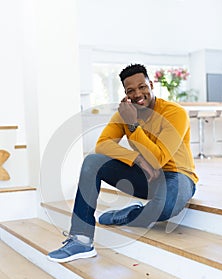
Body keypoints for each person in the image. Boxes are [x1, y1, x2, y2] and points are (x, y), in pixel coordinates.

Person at [48, 63, 198, 263]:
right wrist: (136, 159)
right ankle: (81, 239)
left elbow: (158, 159)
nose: (138, 93)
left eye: (142, 86)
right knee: (92, 162)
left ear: (151, 85)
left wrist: (132, 125)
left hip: (178, 176)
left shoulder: (174, 113)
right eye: (131, 90)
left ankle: (129, 214)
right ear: (125, 93)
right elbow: (102, 145)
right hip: (146, 177)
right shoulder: (125, 113)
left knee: (165, 208)